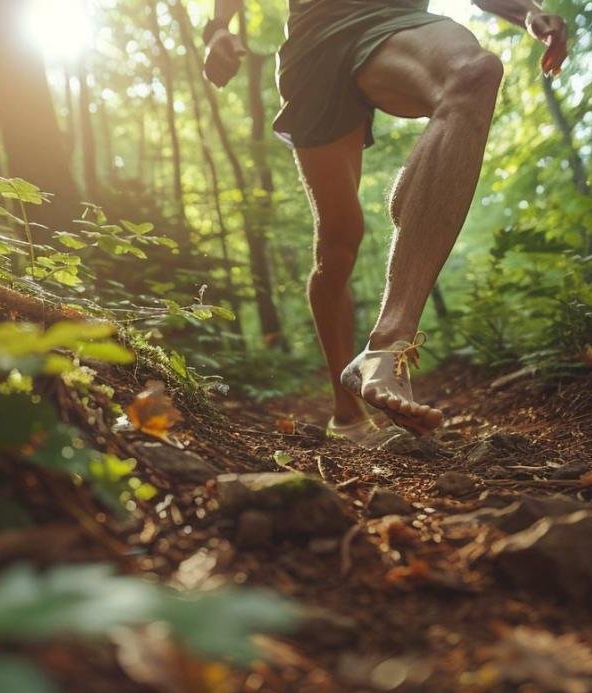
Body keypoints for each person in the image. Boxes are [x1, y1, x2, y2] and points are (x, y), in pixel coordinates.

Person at [202, 0, 568, 444]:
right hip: (316, 38)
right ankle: (347, 414)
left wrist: (527, 11)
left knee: (474, 72)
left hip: (396, 18)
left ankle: (388, 344)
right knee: (339, 242)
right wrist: (219, 26)